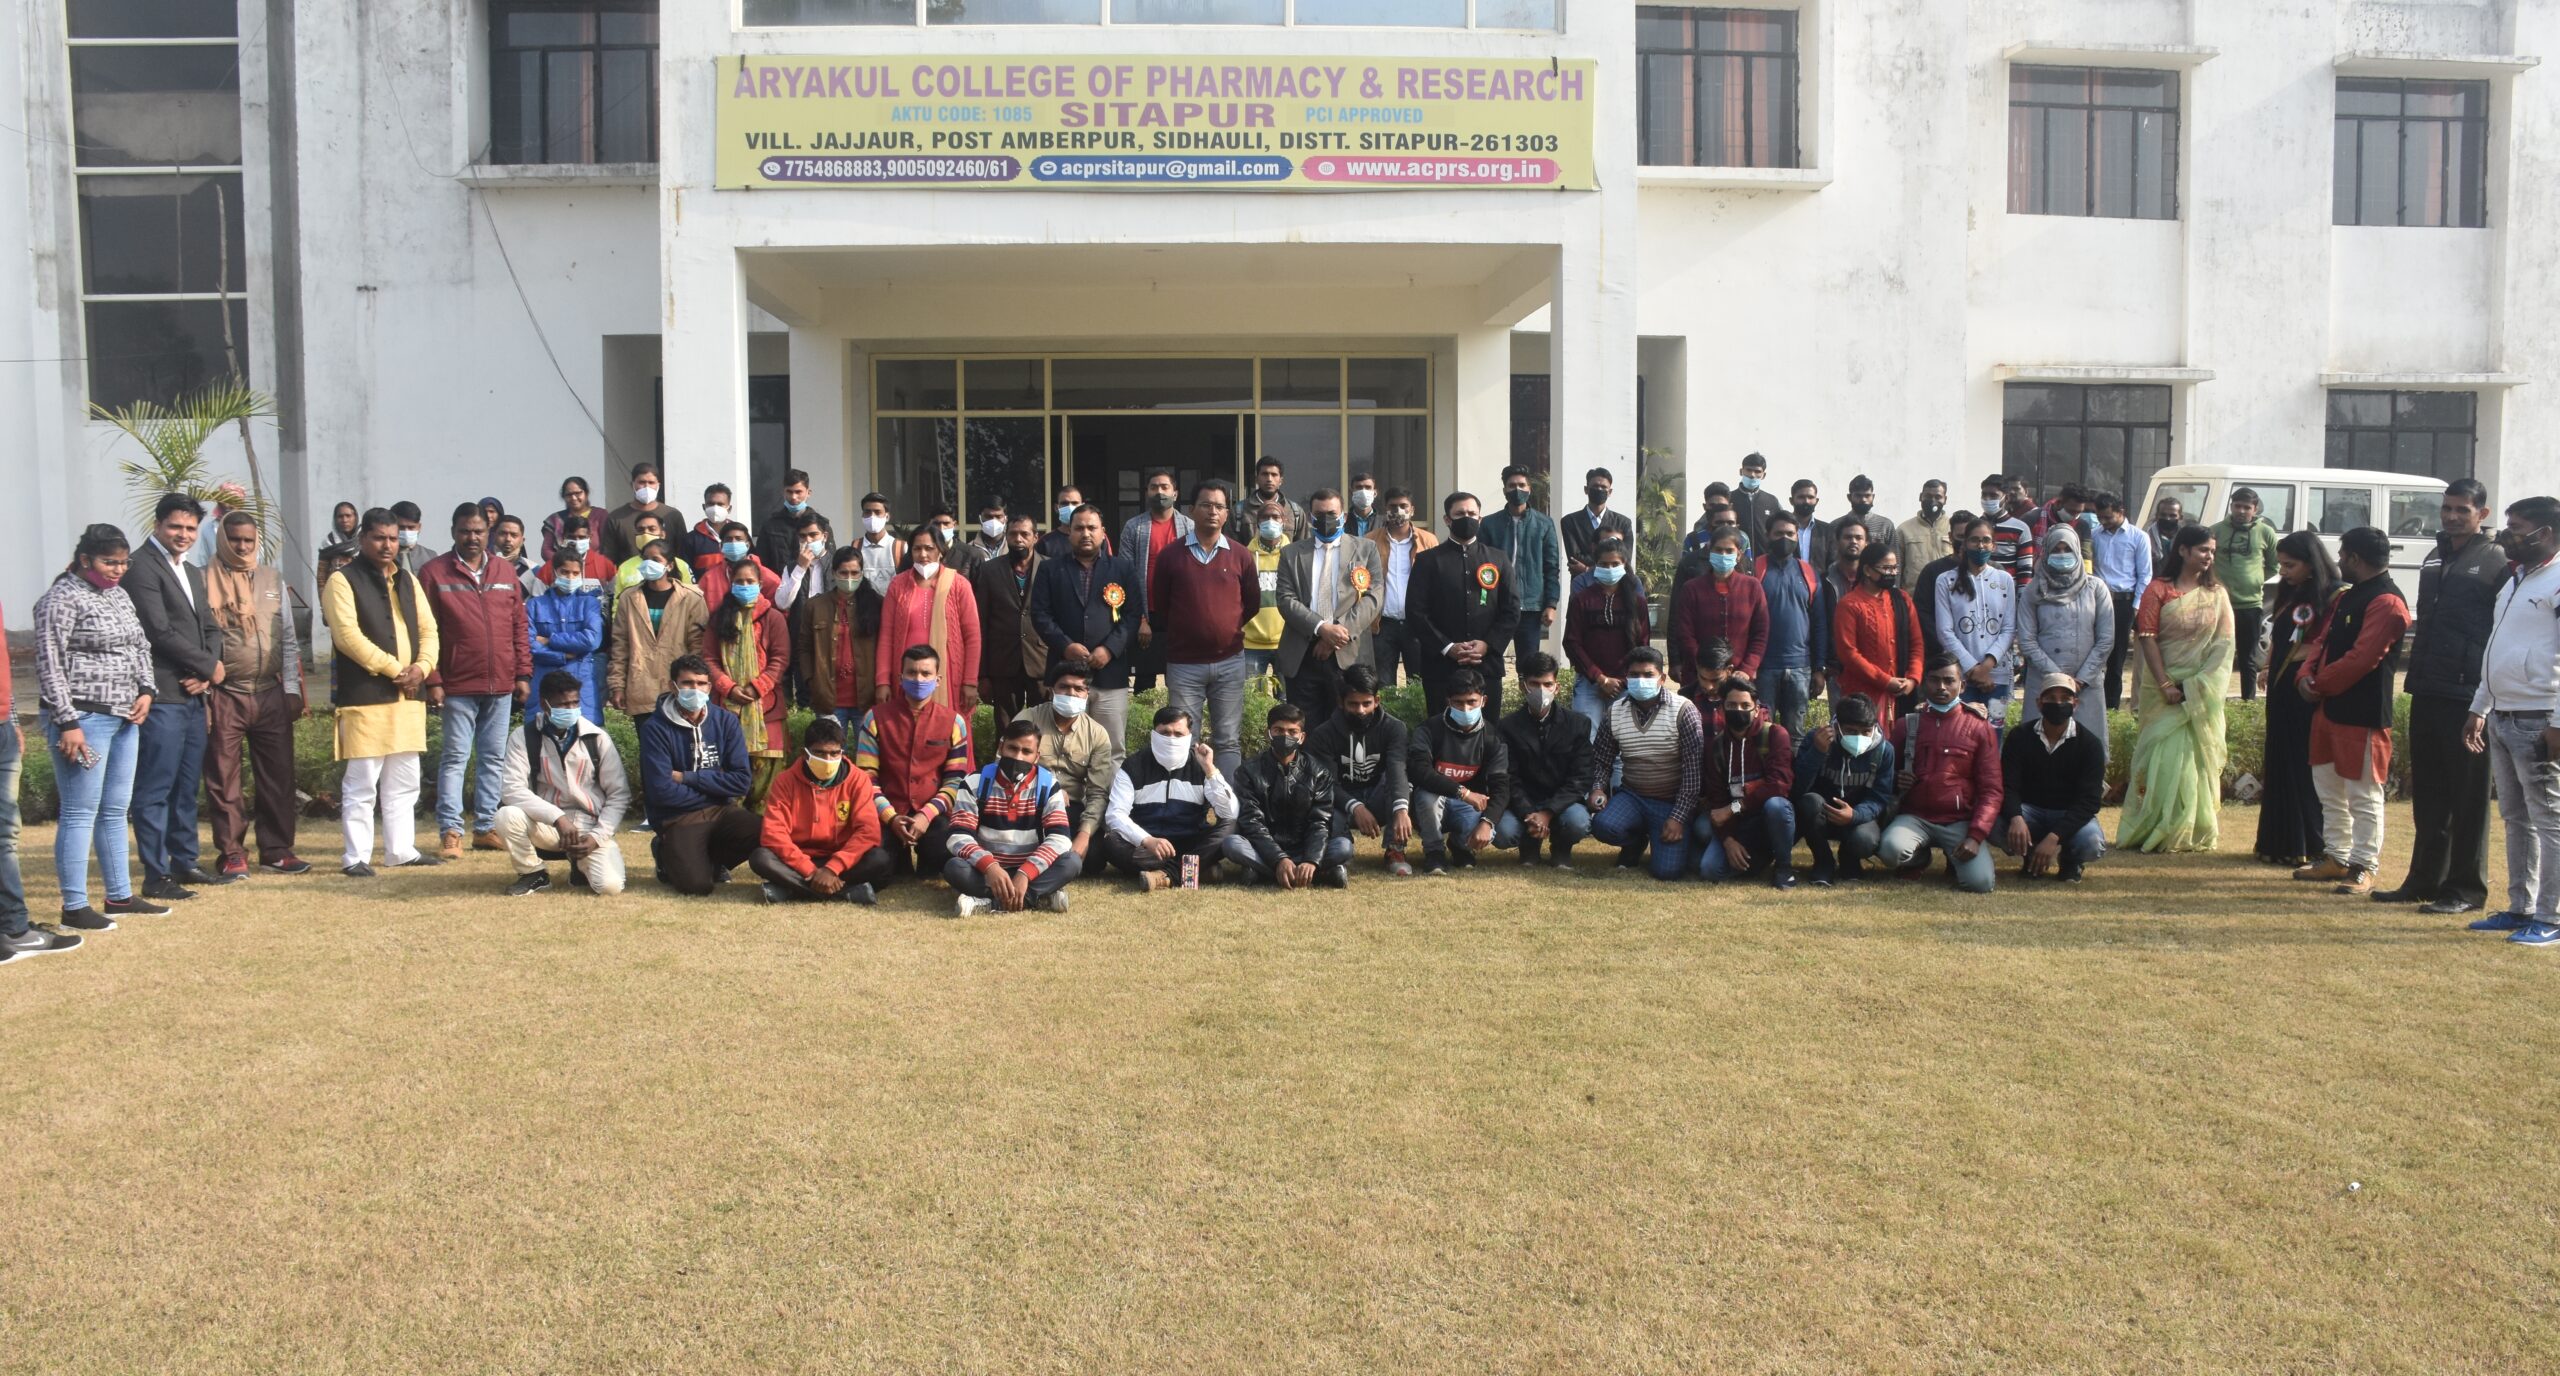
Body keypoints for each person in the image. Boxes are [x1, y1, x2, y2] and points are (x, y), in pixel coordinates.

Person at [2380, 479, 2505, 915]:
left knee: (2468, 797)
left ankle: (2465, 890)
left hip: (2469, 695)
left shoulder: (2496, 560)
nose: (2452, 516)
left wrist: (2484, 698)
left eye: (2462, 510)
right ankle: (2424, 879)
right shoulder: (2434, 556)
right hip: (2428, 686)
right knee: (2430, 793)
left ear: (2482, 514)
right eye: (2447, 508)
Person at [30, 524, 161, 933]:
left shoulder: (119, 594)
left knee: (115, 809)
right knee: (79, 811)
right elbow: (49, 663)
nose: (118, 570)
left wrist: (147, 690)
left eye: (124, 562)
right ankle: (74, 905)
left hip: (126, 716)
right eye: (110, 562)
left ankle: (119, 895)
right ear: (85, 559)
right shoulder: (60, 598)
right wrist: (67, 722)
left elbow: (140, 646)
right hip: (84, 720)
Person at [323, 507, 442, 876]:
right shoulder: (342, 580)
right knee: (362, 782)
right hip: (366, 696)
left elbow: (429, 631)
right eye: (379, 538)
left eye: (393, 538)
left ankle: (400, 850)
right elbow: (347, 636)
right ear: (363, 539)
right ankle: (355, 856)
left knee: (405, 781)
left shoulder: (408, 580)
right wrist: (396, 670)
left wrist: (422, 668)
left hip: (409, 696)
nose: (388, 545)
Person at [2291, 528, 2410, 896]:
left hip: (2362, 714)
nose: (2338, 561)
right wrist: (2304, 675)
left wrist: (2318, 683)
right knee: (2328, 790)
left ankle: (2363, 865)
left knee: (2363, 795)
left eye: (2342, 555)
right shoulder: (2348, 596)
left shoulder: (2388, 602)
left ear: (2355, 558)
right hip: (2329, 709)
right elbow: (2321, 642)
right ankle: (2337, 857)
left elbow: (2363, 658)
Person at [120, 493, 227, 899]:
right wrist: (208, 667)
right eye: (175, 527)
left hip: (193, 695)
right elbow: (157, 631)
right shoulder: (140, 567)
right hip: (161, 693)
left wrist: (206, 672)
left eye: (190, 528)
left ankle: (184, 862)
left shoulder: (193, 570)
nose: (183, 534)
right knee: (156, 788)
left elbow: (210, 628)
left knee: (186, 786)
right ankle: (155, 874)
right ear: (158, 525)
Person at [2465, 496, 2560, 943]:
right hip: (2502, 715)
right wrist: (2479, 707)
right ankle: (2521, 907)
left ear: (2546, 533)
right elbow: (2496, 648)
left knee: (2549, 820)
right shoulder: (2515, 579)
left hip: (2539, 718)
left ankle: (2551, 916)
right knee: (2516, 818)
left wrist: (2557, 722)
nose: (2508, 535)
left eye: (2518, 527)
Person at [420, 503, 533, 860]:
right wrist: (433, 679)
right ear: (453, 532)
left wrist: (522, 673)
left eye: (479, 531)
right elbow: (425, 630)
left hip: (500, 682)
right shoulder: (434, 572)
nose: (472, 537)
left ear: (489, 533)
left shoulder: (504, 570)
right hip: (456, 683)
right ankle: (451, 831)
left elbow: (518, 624)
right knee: (455, 757)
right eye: (465, 531)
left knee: (493, 758)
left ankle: (485, 828)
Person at [200, 512, 310, 879]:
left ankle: (277, 850)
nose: (243, 546)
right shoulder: (203, 580)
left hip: (269, 692)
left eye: (249, 540)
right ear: (222, 539)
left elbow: (288, 638)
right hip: (225, 693)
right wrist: (206, 691)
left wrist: (291, 689)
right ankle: (232, 853)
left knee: (278, 776)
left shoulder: (272, 579)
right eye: (235, 539)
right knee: (224, 779)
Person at [2119, 524, 2235, 854]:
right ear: (2183, 550)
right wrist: (2167, 684)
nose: (2208, 556)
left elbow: (2224, 644)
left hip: (2200, 690)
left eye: (2212, 551)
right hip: (2162, 688)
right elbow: (2147, 639)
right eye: (2203, 550)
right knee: (2162, 757)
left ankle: (2193, 827)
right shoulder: (2158, 590)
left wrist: (2198, 685)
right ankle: (2154, 825)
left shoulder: (2218, 594)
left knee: (2193, 760)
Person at [494, 670, 633, 897]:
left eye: (575, 703)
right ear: (544, 704)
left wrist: (597, 837)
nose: (570, 710)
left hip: (588, 826)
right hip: (546, 824)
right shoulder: (524, 736)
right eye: (563, 705)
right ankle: (533, 873)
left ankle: (580, 866)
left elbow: (619, 794)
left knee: (610, 887)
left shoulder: (596, 737)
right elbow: (512, 789)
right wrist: (557, 817)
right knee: (507, 815)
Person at [1157, 480, 1259, 779]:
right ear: (1191, 510)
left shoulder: (1241, 555)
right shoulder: (1171, 556)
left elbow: (1251, 604)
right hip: (1184, 664)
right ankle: (1190, 800)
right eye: (1206, 505)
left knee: (1228, 740)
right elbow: (1161, 605)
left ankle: (1227, 802)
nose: (1213, 511)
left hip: (1229, 662)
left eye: (1219, 506)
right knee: (1184, 738)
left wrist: (1224, 627)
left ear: (1227, 514)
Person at [1875, 657, 2004, 894]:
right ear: (1925, 684)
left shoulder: (1979, 727)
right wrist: (1897, 779)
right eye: (1934, 680)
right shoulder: (1907, 724)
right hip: (1915, 816)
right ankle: (1918, 858)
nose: (1941, 687)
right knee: (1890, 850)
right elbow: (1884, 774)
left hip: (1959, 820)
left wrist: (1975, 836)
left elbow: (1992, 790)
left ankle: (1954, 858)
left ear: (1962, 686)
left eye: (1949, 681)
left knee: (1980, 883)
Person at [636, 655, 761, 895]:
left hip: (720, 811)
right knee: (697, 886)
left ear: (710, 687)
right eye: (688, 683)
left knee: (765, 832)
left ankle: (712, 859)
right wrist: (717, 789)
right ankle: (665, 851)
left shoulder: (726, 721)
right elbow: (661, 791)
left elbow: (741, 782)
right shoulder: (655, 728)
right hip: (678, 816)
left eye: (701, 683)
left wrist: (687, 778)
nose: (695, 689)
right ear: (673, 686)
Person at [853, 644, 976, 881]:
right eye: (911, 672)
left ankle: (927, 860)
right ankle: (898, 860)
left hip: (934, 815)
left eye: (925, 673)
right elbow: (866, 778)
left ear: (937, 680)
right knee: (876, 861)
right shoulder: (875, 718)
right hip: (887, 813)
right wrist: (891, 817)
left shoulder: (954, 722)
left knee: (947, 850)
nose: (918, 679)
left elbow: (955, 781)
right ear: (901, 678)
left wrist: (925, 815)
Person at [2255, 531, 2338, 869]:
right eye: (2281, 565)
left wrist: (2300, 663)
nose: (2284, 571)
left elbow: (2324, 642)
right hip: (2280, 685)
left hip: (2303, 686)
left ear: (2311, 563)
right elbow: (2280, 635)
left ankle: (2309, 841)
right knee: (2279, 758)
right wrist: (2267, 665)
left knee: (2300, 762)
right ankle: (2279, 841)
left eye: (2290, 565)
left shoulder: (2332, 595)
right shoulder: (2290, 593)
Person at [1587, 647, 1706, 881]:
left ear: (1662, 678)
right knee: (1602, 826)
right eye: (1634, 675)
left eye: (1648, 674)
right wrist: (1598, 788)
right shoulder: (1615, 712)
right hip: (1633, 796)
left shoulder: (1684, 710)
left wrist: (1678, 817)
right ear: (1626, 677)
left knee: (1668, 872)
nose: (1641, 680)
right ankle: (1636, 841)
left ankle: (1674, 836)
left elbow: (1693, 772)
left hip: (1671, 802)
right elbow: (1602, 759)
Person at [746, 716, 892, 907]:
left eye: (834, 753)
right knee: (760, 858)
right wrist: (811, 871)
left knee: (879, 858)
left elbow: (868, 832)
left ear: (842, 753)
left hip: (842, 860)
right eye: (820, 753)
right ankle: (845, 892)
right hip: (799, 859)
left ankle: (793, 890)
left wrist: (832, 868)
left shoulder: (858, 780)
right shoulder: (785, 781)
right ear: (804, 753)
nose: (828, 760)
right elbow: (774, 834)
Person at [1031, 504, 1142, 753]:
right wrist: (1065, 646)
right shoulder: (1050, 569)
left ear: (1103, 532)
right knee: (1060, 746)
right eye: (1079, 528)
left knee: (1111, 747)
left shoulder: (1123, 569)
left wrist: (1109, 649)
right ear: (1069, 532)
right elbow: (1040, 614)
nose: (1086, 533)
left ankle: (1107, 783)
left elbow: (1133, 615)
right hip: (1064, 673)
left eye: (1092, 528)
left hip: (1110, 674)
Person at [943, 717, 1082, 915]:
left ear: (1036, 757)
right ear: (1001, 747)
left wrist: (1025, 873)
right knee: (954, 867)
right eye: (1012, 748)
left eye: (1026, 752)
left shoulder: (1048, 786)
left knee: (1071, 862)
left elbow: (1060, 839)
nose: (1018, 757)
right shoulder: (974, 782)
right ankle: (1038, 898)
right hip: (987, 871)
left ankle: (990, 903)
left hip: (1031, 870)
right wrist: (990, 867)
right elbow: (958, 836)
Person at [1101, 705, 1239, 891]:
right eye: (1165, 733)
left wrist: (1210, 770)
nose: (1171, 739)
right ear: (1153, 734)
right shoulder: (1134, 765)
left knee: (1230, 826)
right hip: (1149, 848)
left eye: (1178, 734)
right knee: (1110, 841)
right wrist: (1147, 840)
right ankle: (1197, 869)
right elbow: (1115, 814)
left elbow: (1229, 812)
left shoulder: (1200, 766)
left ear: (1189, 736)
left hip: (1191, 843)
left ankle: (1167, 875)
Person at [1276, 488, 1380, 730]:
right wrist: (1321, 628)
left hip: (1349, 652)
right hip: (1303, 653)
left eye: (1332, 513)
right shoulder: (1291, 553)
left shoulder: (1366, 549)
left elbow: (1373, 598)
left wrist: (1336, 634)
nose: (1326, 519)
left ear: (1344, 515)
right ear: (1310, 517)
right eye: (1319, 514)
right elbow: (1285, 599)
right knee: (1304, 726)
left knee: (1349, 726)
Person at [1409, 493, 1520, 718]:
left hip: (1486, 664)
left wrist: (1488, 645)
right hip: (1441, 666)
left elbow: (1511, 609)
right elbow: (1416, 611)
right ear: (1447, 519)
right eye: (1459, 514)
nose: (1466, 518)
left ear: (1480, 519)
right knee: (1441, 727)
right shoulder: (1427, 560)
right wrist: (1448, 647)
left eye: (1472, 513)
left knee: (1488, 730)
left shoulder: (1498, 559)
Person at [1999, 674, 2108, 882]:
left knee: (2092, 842)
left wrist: (2054, 837)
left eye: (2065, 699)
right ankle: (2030, 854)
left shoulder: (2090, 745)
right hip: (2029, 811)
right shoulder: (2019, 736)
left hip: (2067, 811)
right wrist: (2016, 817)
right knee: (1995, 826)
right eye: (2051, 698)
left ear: (2075, 704)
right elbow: (2007, 785)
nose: (2058, 704)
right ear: (2039, 703)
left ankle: (2070, 860)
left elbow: (2089, 801)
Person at [1308, 666, 1415, 877]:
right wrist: (1355, 807)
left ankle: (1395, 851)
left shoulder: (1394, 728)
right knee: (1320, 799)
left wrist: (1402, 810)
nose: (1360, 710)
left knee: (1403, 790)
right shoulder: (1323, 734)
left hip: (1378, 795)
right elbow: (1327, 783)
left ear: (1377, 700)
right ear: (1341, 702)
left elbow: (1396, 770)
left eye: (1366, 703)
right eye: (1353, 704)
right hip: (1342, 801)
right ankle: (1342, 854)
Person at [702, 559, 792, 806]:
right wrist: (729, 687)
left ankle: (763, 827)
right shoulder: (719, 619)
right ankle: (732, 824)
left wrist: (756, 688)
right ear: (731, 584)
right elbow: (709, 658)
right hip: (727, 706)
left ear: (760, 584)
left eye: (750, 581)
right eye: (739, 581)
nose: (744, 586)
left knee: (767, 786)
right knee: (729, 775)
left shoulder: (773, 618)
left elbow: (780, 659)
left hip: (767, 709)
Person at [1493, 653, 1594, 869]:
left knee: (1578, 822)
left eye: (1547, 684)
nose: (1541, 690)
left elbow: (1581, 777)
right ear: (1523, 686)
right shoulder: (1507, 727)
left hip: (1563, 802)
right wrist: (1529, 813)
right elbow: (1508, 776)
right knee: (1502, 832)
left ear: (1556, 688)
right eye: (1534, 684)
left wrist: (1548, 812)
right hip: (1523, 802)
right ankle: (1528, 845)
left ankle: (1561, 848)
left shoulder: (1578, 724)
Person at [1223, 703, 1340, 889]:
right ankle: (1313, 874)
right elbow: (1252, 822)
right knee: (1232, 844)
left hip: (1304, 847)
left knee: (1343, 847)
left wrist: (1311, 859)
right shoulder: (1248, 771)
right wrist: (1278, 858)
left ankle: (1266, 872)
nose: (1285, 736)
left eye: (1292, 732)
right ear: (1268, 733)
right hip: (1263, 848)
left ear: (1302, 737)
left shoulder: (1319, 772)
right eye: (1278, 730)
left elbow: (1320, 821)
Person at [1405, 668, 1509, 874]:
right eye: (1458, 702)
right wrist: (1463, 792)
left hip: (1470, 806)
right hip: (1431, 804)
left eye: (1472, 702)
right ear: (1448, 702)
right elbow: (1420, 772)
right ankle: (1434, 852)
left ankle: (1460, 846)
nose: (1466, 709)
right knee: (1426, 797)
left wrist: (1487, 823)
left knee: (1489, 826)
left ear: (1484, 701)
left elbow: (1501, 786)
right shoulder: (1428, 730)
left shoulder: (1493, 738)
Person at [1696, 676, 1797, 887]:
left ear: (1757, 709)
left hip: (1769, 817)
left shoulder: (1775, 734)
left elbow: (1779, 784)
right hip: (1739, 822)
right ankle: (1757, 859)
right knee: (1710, 869)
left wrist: (1735, 807)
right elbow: (1717, 799)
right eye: (1731, 705)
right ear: (1722, 709)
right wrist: (1728, 840)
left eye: (1745, 705)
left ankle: (1784, 867)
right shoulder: (1717, 747)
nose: (1738, 710)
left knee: (1777, 806)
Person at [2017, 526, 2113, 748]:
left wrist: (2081, 679)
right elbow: (2027, 641)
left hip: (2085, 682)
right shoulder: (2033, 590)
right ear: (2046, 553)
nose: (2062, 555)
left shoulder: (2095, 588)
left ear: (2077, 551)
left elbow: (2106, 639)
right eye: (2056, 550)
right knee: (2040, 747)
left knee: (2086, 746)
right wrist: (2058, 679)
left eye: (2067, 549)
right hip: (2044, 680)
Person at [1017, 660, 1119, 868]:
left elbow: (1098, 792)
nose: (1071, 693)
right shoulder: (1028, 719)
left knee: (1095, 858)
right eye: (1064, 687)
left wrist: (1084, 834)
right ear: (1051, 690)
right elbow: (1008, 767)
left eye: (1079, 689)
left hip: (1070, 808)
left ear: (1087, 694)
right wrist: (1048, 787)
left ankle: (1050, 853)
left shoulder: (1097, 734)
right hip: (1029, 802)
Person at [875, 524, 981, 718]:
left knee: (947, 728)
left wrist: (970, 681)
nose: (923, 554)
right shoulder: (897, 585)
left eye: (929, 548)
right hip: (907, 676)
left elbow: (972, 637)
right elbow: (886, 637)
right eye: (917, 548)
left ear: (940, 550)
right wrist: (882, 681)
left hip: (947, 677)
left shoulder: (959, 585)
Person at [1793, 693, 1895, 887]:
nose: (1859, 737)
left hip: (1858, 817)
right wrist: (1817, 752)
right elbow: (1798, 788)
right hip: (1822, 814)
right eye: (1851, 731)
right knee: (1809, 802)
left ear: (1874, 727)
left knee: (1865, 840)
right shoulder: (1816, 739)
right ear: (1837, 726)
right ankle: (1823, 862)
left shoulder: (1884, 750)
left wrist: (1855, 815)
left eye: (1866, 732)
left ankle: (1849, 859)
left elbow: (1880, 797)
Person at [610, 538, 711, 717]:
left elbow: (697, 645)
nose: (649, 564)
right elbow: (620, 645)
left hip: (680, 686)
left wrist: (695, 686)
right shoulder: (629, 598)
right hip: (641, 684)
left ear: (669, 565)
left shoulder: (691, 598)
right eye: (645, 559)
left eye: (655, 559)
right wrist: (617, 686)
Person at [1934, 516, 2018, 725]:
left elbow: (2009, 628)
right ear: (1964, 543)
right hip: (1960, 676)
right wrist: (1973, 669)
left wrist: (1986, 667)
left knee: (1994, 732)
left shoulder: (2004, 580)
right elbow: (1945, 631)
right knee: (1961, 731)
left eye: (1986, 540)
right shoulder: (1946, 580)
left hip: (1996, 676)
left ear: (1993, 545)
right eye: (1974, 540)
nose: (1980, 546)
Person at [1670, 530, 1766, 710]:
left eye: (1729, 551)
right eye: (1718, 550)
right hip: (1699, 677)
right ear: (1709, 552)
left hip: (1739, 678)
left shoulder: (1752, 587)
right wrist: (1706, 668)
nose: (1723, 555)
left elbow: (1760, 633)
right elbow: (1685, 633)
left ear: (1739, 555)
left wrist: (1746, 669)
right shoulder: (1692, 589)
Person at [1120, 467, 1193, 696]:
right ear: (1146, 493)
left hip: (1179, 615)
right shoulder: (1134, 527)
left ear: (1175, 493)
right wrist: (1141, 619)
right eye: (1154, 487)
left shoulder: (1189, 528)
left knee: (1180, 680)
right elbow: (1126, 575)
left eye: (1164, 487)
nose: (1159, 492)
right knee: (1144, 682)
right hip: (1147, 613)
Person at [1482, 465, 1562, 673]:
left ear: (1529, 489)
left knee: (1529, 664)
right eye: (1512, 485)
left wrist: (1551, 604)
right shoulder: (1489, 524)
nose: (1517, 489)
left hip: (1531, 606)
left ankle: (1527, 693)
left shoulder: (1544, 524)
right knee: (1490, 658)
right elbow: (1481, 567)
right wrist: (1482, 601)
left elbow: (1551, 567)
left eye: (1521, 485)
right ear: (1504, 490)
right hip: (1497, 603)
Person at [970, 512, 1048, 723]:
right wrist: (982, 674)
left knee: (1043, 726)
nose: (1018, 539)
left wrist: (1057, 669)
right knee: (1006, 729)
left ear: (1035, 537)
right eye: (1013, 534)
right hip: (1003, 663)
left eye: (1024, 534)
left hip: (1041, 662)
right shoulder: (989, 570)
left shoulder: (1050, 568)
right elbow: (981, 623)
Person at [1752, 513, 1824, 737]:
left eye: (1790, 534)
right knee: (1761, 732)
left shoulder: (1808, 572)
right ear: (1768, 535)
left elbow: (1819, 623)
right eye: (1779, 533)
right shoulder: (1756, 569)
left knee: (1796, 734)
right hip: (1763, 667)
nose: (1785, 538)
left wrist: (1819, 668)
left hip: (1800, 667)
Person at [2210, 487, 2280, 704]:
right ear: (2231, 506)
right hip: (2220, 604)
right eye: (2237, 506)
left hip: (2250, 604)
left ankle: (2247, 703)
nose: (2241, 511)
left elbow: (2274, 565)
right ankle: (2213, 701)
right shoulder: (2216, 531)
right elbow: (2207, 563)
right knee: (2217, 655)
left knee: (2247, 657)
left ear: (2255, 509)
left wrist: (2255, 580)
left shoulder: (2265, 532)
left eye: (2246, 507)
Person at [1366, 488, 1437, 689]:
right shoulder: (1369, 540)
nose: (1398, 511)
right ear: (1385, 509)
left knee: (1420, 684)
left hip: (1417, 624)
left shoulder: (1428, 540)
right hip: (1382, 625)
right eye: (1393, 506)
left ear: (1412, 510)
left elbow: (1437, 582)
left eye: (1403, 506)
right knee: (1383, 685)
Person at [2087, 492, 2153, 710]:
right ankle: (2091, 705)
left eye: (2108, 517)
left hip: (2124, 602)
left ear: (2120, 512)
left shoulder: (2138, 537)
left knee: (2116, 659)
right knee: (2094, 653)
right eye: (2100, 518)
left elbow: (2145, 575)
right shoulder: (2095, 535)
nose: (2104, 522)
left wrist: (2136, 606)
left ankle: (2111, 708)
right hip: (2097, 600)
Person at [527, 549, 608, 726]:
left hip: (582, 682)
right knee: (539, 732)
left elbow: (591, 640)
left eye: (575, 573)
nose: (570, 577)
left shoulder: (589, 603)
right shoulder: (534, 606)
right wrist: (563, 655)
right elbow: (529, 645)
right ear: (554, 572)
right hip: (544, 679)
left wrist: (550, 640)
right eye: (564, 572)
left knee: (586, 734)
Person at [1239, 496, 1291, 684]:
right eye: (1265, 517)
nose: (1270, 521)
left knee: (1287, 698)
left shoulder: (1293, 555)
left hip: (1286, 642)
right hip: (1251, 644)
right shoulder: (1244, 556)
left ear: (1284, 521)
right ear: (1258, 522)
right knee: (1253, 698)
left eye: (1275, 517)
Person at [600, 461, 684, 565]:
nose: (646, 487)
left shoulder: (673, 515)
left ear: (658, 485)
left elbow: (682, 553)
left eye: (651, 483)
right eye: (641, 482)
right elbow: (608, 558)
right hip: (628, 574)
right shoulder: (616, 518)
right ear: (632, 484)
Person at [755, 468, 835, 575]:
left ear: (808, 493)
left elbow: (830, 561)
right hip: (779, 582)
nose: (793, 497)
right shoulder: (770, 526)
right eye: (789, 492)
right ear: (783, 492)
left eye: (798, 492)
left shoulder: (821, 525)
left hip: (812, 582)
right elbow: (762, 564)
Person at [612, 510, 697, 605]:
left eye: (652, 529)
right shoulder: (625, 567)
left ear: (662, 534)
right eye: (640, 530)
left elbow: (691, 599)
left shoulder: (681, 565)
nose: (645, 533)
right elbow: (618, 604)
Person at [1226, 455, 1308, 545]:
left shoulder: (1295, 512)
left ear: (1281, 481)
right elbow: (1231, 550)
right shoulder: (1239, 511)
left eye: (1274, 475)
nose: (1269, 479)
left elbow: (1303, 548)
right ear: (1256, 479)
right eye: (1265, 474)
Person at [1897, 480, 1953, 593]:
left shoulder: (1953, 527)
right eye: (1928, 496)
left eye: (1938, 497)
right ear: (1920, 497)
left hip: (1948, 593)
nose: (1933, 501)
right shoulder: (1904, 529)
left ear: (1945, 500)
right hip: (1914, 595)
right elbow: (1897, 567)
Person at [542, 513, 618, 594]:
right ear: (564, 538)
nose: (577, 541)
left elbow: (617, 594)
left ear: (590, 537)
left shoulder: (605, 564)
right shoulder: (550, 567)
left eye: (581, 537)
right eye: (572, 537)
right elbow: (537, 597)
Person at [1837, 474, 1899, 567]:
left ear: (1873, 497)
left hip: (1877, 575)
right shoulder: (1837, 525)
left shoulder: (1885, 525)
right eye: (1858, 496)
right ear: (1849, 497)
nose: (1863, 500)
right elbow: (1832, 558)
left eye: (1867, 495)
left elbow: (1895, 559)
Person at [1036, 484, 1105, 562]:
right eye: (1064, 503)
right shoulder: (1045, 542)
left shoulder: (1098, 537)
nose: (1070, 507)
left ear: (1082, 506)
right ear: (1056, 508)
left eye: (1075, 503)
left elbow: (1107, 564)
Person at [540, 475, 596, 565]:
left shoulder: (600, 516)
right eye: (569, 495)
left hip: (594, 566)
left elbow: (608, 547)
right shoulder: (555, 520)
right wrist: (566, 563)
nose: (573, 498)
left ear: (586, 493)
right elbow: (546, 551)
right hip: (562, 569)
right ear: (563, 497)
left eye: (578, 493)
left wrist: (594, 563)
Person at [681, 483, 735, 575]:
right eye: (711, 504)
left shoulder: (739, 536)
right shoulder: (691, 540)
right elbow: (685, 572)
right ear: (704, 507)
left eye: (720, 504)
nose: (715, 508)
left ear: (729, 509)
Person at [1732, 452, 1784, 542]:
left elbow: (1783, 527)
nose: (1752, 475)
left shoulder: (1772, 501)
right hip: (1736, 550)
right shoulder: (1729, 498)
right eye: (1748, 470)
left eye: (1757, 471)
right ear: (1741, 471)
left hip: (1765, 551)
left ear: (1764, 475)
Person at [957, 498, 1011, 576]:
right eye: (988, 516)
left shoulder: (1013, 547)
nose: (993, 521)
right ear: (980, 519)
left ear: (1006, 519)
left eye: (998, 516)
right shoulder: (969, 550)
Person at [491, 515, 538, 595]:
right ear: (494, 537)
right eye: (503, 534)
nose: (508, 539)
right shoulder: (482, 566)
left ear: (522, 541)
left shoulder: (534, 570)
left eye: (514, 535)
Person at [389, 501, 438, 576]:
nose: (406, 531)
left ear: (419, 527)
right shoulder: (384, 554)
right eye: (401, 527)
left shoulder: (430, 557)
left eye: (411, 527)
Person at [1345, 471, 1381, 538]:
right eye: (1359, 487)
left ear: (1375, 493)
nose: (1363, 491)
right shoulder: (1343, 522)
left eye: (1368, 487)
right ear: (1351, 492)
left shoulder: (1384, 523)